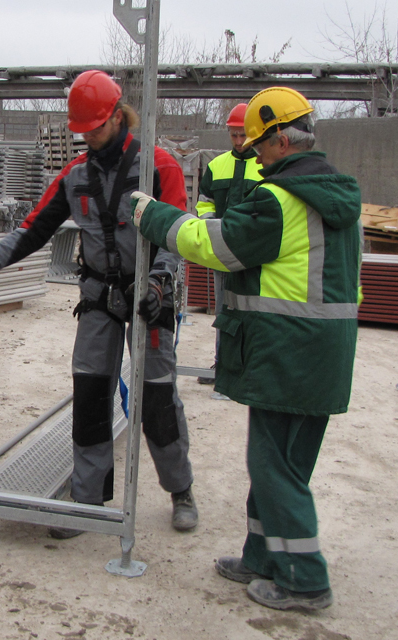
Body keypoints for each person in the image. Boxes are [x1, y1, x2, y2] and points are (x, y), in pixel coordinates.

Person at [129, 86, 362, 610]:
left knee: (273, 466)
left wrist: (154, 217)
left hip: (289, 350)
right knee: (283, 464)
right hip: (323, 351)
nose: (253, 155)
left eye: (258, 145)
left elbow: (214, 246)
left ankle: (305, 580)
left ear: (282, 140)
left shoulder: (280, 199)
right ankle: (262, 556)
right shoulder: (338, 195)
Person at [0, 70, 197, 537]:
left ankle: (180, 489)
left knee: (157, 402)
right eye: (81, 130)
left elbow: (178, 233)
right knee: (90, 398)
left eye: (95, 128)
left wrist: (160, 285)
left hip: (150, 300)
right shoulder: (75, 177)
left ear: (116, 116)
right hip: (99, 299)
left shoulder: (158, 167)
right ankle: (87, 501)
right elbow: (33, 231)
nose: (87, 137)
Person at [194, 103, 263, 386]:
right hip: (222, 251)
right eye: (234, 135)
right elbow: (204, 204)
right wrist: (212, 231)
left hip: (254, 255)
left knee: (254, 310)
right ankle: (223, 362)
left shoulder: (265, 167)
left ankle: (250, 367)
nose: (238, 141)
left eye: (243, 135)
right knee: (224, 311)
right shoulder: (215, 166)